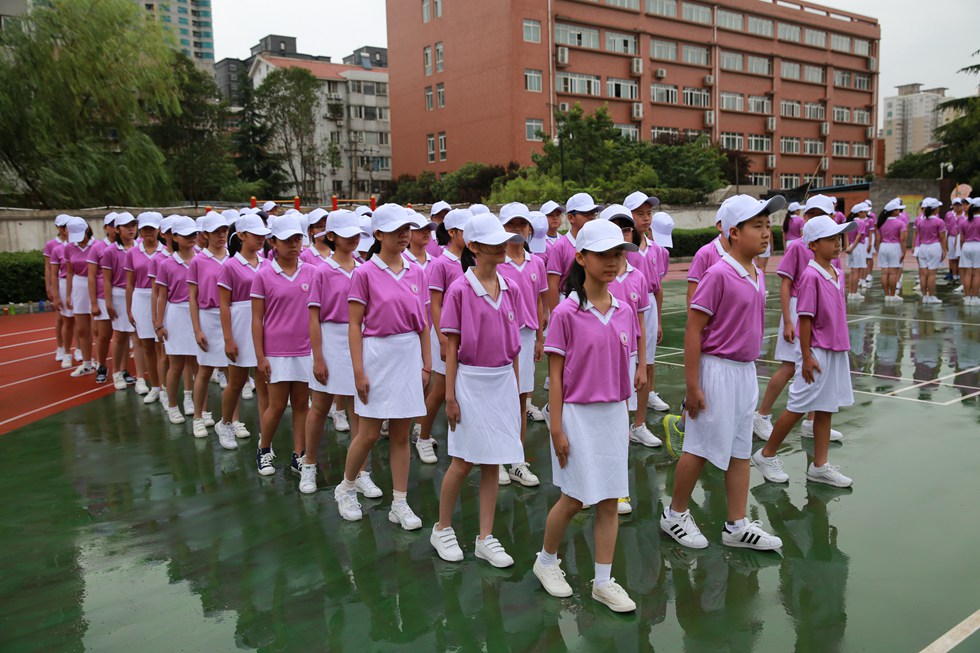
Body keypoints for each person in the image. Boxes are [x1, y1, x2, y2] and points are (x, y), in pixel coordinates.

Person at [660, 194, 784, 552]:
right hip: (716, 372)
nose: (766, 232)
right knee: (699, 448)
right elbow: (693, 330)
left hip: (745, 373)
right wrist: (693, 386)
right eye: (757, 226)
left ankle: (737, 524)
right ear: (734, 232)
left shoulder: (757, 272)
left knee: (740, 450)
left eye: (768, 225)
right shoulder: (718, 274)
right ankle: (675, 514)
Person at [532, 219, 641, 613]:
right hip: (577, 416)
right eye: (603, 254)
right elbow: (555, 376)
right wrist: (556, 429)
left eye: (617, 254)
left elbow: (623, 371)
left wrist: (625, 419)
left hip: (613, 415)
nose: (612, 261)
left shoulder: (625, 310)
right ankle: (546, 561)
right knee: (574, 499)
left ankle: (603, 581)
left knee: (610, 500)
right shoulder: (566, 313)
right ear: (581, 257)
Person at [430, 214, 525, 568]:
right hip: (470, 381)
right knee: (463, 460)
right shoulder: (459, 290)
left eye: (504, 241)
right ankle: (442, 528)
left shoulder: (511, 288)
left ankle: (485, 537)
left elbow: (514, 348)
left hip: (502, 381)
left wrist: (515, 390)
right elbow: (452, 348)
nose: (503, 246)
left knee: (492, 460)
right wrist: (450, 396)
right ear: (473, 246)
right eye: (494, 242)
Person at [335, 204, 431, 529]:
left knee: (401, 435)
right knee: (369, 433)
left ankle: (399, 503)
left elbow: (423, 324)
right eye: (395, 231)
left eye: (407, 230)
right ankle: (346, 488)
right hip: (377, 355)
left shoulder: (417, 271)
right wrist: (358, 371)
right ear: (377, 234)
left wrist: (427, 364)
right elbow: (353, 325)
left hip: (408, 355)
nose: (404, 236)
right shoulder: (364, 273)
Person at [753, 215, 856, 488]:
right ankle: (766, 454)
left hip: (835, 350)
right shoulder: (810, 276)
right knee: (798, 407)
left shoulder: (836, 272)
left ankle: (819, 466)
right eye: (830, 239)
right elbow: (806, 319)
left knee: (825, 407)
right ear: (813, 245)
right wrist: (807, 356)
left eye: (838, 238)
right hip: (816, 352)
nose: (837, 243)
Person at [301, 210, 382, 498]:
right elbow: (313, 318)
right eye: (347, 235)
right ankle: (309, 464)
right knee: (320, 406)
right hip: (331, 340)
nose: (353, 239)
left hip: (359, 341)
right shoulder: (321, 271)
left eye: (356, 234)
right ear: (332, 236)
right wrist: (318, 357)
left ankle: (361, 472)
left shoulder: (364, 268)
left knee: (360, 409)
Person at [751, 195, 843, 443]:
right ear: (805, 216)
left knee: (818, 367)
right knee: (790, 366)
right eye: (812, 213)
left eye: (823, 214)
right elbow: (786, 284)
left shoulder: (831, 244)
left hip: (820, 312)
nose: (816, 218)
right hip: (797, 307)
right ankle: (762, 415)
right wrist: (788, 321)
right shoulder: (797, 246)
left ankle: (812, 422)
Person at [251, 214, 314, 476]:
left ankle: (299, 454)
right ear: (274, 242)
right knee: (276, 406)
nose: (293, 244)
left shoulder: (312, 272)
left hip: (306, 350)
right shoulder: (263, 275)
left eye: (297, 239)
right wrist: (260, 356)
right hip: (276, 352)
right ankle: (264, 449)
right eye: (287, 240)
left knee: (301, 404)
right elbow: (257, 319)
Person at [497, 202, 548, 487]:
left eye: (522, 224)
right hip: (500, 337)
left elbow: (540, 301)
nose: (517, 229)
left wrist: (539, 337)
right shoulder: (495, 262)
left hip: (527, 337)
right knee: (499, 399)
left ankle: (517, 460)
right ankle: (495, 460)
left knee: (520, 399)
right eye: (511, 224)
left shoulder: (536, 262)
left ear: (529, 229)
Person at [416, 208, 471, 464]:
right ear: (452, 232)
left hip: (468, 334)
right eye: (466, 230)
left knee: (465, 389)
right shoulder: (441, 264)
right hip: (447, 335)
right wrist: (441, 337)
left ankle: (464, 440)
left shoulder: (473, 260)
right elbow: (434, 304)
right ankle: (422, 436)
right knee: (439, 390)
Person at [215, 214, 270, 450]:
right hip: (240, 324)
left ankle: (265, 437)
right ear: (242, 236)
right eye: (255, 235)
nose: (261, 239)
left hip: (264, 324)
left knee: (264, 383)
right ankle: (226, 424)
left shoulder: (267, 263)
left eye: (263, 235)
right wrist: (228, 338)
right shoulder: (230, 265)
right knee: (236, 382)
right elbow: (224, 305)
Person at [624, 192, 669, 416]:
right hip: (626, 303)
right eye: (640, 213)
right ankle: (627, 394)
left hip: (648, 303)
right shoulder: (623, 249)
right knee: (627, 352)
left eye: (649, 213)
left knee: (648, 354)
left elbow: (658, 288)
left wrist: (658, 320)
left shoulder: (656, 249)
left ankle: (648, 392)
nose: (646, 218)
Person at [187, 212, 231, 438]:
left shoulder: (233, 258)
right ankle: (198, 416)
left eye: (224, 231)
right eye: (216, 232)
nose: (221, 235)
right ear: (205, 234)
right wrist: (197, 329)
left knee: (232, 370)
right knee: (204, 370)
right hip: (208, 316)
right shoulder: (198, 261)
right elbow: (192, 298)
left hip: (229, 317)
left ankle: (232, 420)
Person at [155, 217, 201, 425]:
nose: (192, 238)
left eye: (194, 234)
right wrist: (159, 323)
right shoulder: (166, 264)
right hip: (176, 315)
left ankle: (198, 406)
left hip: (198, 314)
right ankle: (172, 405)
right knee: (176, 365)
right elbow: (162, 296)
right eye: (186, 235)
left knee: (199, 364)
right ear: (174, 237)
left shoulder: (201, 260)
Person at [125, 212, 164, 403]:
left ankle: (166, 389)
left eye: (152, 229)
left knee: (161, 347)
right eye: (145, 229)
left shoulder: (165, 252)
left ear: (159, 230)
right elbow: (129, 283)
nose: (148, 232)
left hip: (161, 298)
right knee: (147, 345)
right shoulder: (132, 253)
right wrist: (129, 308)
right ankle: (155, 387)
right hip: (141, 298)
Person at [101, 212, 140, 391]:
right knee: (120, 335)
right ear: (117, 229)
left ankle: (124, 370)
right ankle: (116, 371)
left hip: (136, 294)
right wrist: (108, 303)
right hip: (118, 294)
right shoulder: (110, 251)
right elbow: (106, 280)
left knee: (134, 335)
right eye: (126, 226)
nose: (131, 229)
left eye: (133, 225)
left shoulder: (139, 247)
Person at [546, 193, 601, 311]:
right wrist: (555, 312)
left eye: (593, 213)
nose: (591, 217)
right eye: (586, 214)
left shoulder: (598, 244)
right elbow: (553, 284)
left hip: (594, 300)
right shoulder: (561, 246)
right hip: (568, 301)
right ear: (571, 218)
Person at [89, 213, 119, 383]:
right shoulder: (97, 247)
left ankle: (120, 369)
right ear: (106, 227)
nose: (116, 228)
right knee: (104, 334)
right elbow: (92, 276)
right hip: (102, 296)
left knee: (123, 336)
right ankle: (101, 365)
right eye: (112, 225)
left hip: (123, 296)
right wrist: (94, 303)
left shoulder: (130, 246)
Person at [58, 217, 92, 372]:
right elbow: (69, 272)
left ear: (87, 229)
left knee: (97, 329)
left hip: (95, 286)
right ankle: (84, 361)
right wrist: (68, 295)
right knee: (81, 327)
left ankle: (99, 362)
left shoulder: (97, 246)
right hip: (78, 286)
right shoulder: (69, 248)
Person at [44, 215, 71, 364]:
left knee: (78, 319)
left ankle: (78, 349)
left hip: (73, 283)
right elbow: (49, 268)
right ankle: (60, 347)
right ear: (58, 227)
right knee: (61, 318)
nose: (64, 228)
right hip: (61, 283)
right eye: (62, 226)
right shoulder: (52, 245)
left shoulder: (76, 242)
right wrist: (49, 287)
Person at [914, 198, 948, 304]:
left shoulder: (921, 221)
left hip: (923, 247)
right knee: (932, 274)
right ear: (935, 209)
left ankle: (925, 296)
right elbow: (942, 237)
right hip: (934, 247)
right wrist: (944, 250)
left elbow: (919, 235)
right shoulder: (939, 221)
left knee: (923, 274)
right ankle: (931, 296)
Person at [876, 198, 909, 302]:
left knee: (884, 272)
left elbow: (878, 239)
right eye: (898, 209)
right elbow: (902, 239)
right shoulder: (900, 223)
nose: (899, 211)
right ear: (893, 211)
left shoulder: (881, 223)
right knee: (893, 272)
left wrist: (878, 250)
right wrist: (904, 251)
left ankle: (887, 295)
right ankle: (893, 295)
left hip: (883, 246)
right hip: (895, 247)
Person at [844, 203, 869, 302]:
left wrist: (848, 247)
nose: (866, 213)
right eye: (864, 211)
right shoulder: (861, 223)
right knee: (856, 271)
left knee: (852, 271)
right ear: (859, 213)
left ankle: (851, 292)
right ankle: (854, 293)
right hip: (857, 247)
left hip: (851, 246)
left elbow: (846, 235)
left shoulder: (850, 223)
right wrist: (852, 248)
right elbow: (858, 237)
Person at [959, 198, 980, 305]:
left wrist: (962, 248)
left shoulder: (964, 221)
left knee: (967, 273)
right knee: (977, 273)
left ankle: (967, 297)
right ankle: (975, 298)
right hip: (978, 246)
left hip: (966, 246)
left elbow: (961, 239)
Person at [945, 198, 963, 286]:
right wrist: (945, 240)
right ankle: (954, 275)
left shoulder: (964, 215)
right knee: (952, 258)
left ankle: (960, 275)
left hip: (960, 237)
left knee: (960, 257)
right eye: (955, 205)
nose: (957, 207)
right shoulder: (949, 215)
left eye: (959, 205)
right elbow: (946, 228)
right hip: (951, 237)